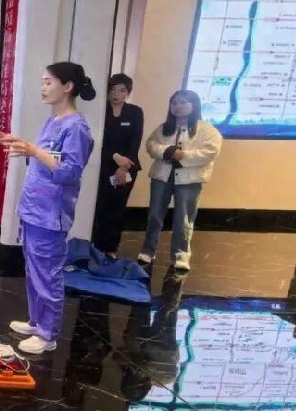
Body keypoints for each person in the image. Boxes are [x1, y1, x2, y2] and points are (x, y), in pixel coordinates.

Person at [0, 61, 96, 355]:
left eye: (49, 82)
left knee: (48, 273)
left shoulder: (77, 128)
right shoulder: (53, 121)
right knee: (34, 269)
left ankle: (48, 334)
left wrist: (33, 150)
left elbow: (69, 171)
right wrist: (21, 144)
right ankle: (37, 322)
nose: (43, 88)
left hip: (51, 214)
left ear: (67, 86)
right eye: (43, 81)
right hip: (34, 208)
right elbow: (45, 157)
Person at [138, 90, 222, 272]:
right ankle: (148, 250)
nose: (177, 106)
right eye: (174, 103)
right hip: (162, 176)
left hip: (189, 180)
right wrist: (167, 151)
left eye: (183, 102)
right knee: (154, 214)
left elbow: (210, 151)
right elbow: (151, 144)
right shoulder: (164, 128)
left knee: (183, 217)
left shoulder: (207, 130)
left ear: (194, 105)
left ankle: (181, 254)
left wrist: (183, 155)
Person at [91, 74, 144, 257]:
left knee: (118, 208)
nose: (116, 94)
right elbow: (97, 141)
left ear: (127, 92)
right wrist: (114, 157)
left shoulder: (135, 112)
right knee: (100, 207)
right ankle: (95, 245)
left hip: (127, 167)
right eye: (113, 90)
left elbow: (135, 142)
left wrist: (123, 167)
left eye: (122, 90)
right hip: (102, 166)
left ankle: (111, 247)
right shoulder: (100, 111)